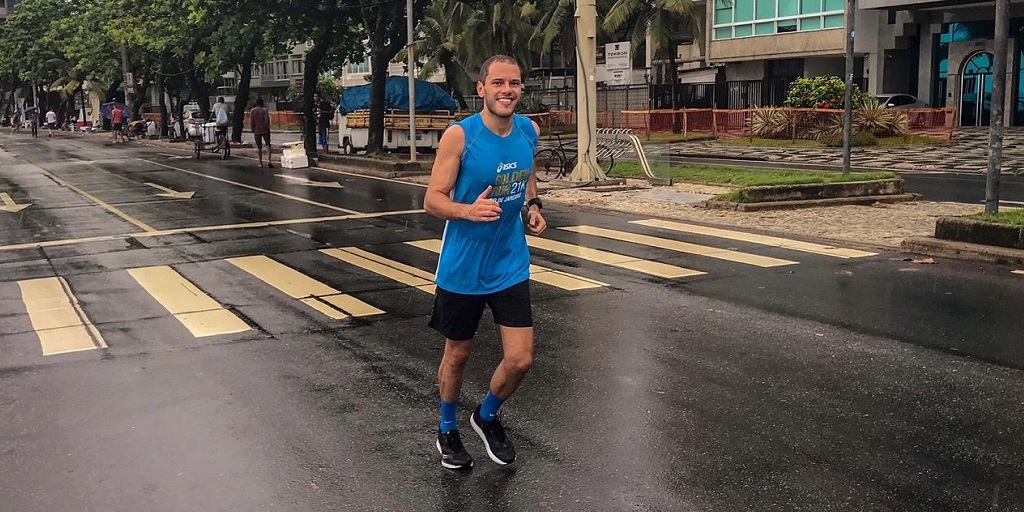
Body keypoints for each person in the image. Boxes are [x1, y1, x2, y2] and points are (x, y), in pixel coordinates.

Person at [422, 54, 546, 470]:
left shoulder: (529, 129)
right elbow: (432, 199)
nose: (506, 90)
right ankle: (447, 429)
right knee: (457, 354)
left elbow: (527, 173)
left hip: (510, 261)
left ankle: (486, 415)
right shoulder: (460, 136)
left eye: (514, 83)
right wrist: (467, 211)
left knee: (521, 359)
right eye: (498, 83)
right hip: (463, 266)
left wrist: (532, 205)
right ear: (482, 89)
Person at [249, 98, 273, 168]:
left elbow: (252, 121)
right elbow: (266, 120)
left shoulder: (252, 111)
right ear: (262, 103)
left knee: (259, 147)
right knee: (268, 145)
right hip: (265, 130)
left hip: (257, 130)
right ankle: (269, 161)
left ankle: (260, 163)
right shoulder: (265, 110)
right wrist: (267, 127)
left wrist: (252, 129)